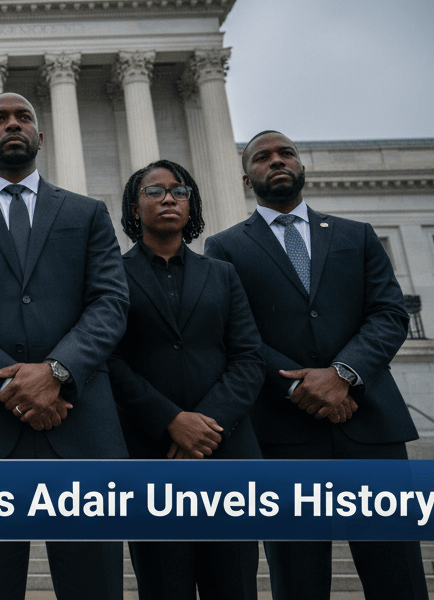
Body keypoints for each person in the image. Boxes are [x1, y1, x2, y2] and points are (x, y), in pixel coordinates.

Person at [0, 91, 129, 600]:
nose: (12, 124)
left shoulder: (87, 213)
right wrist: (16, 384)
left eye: (23, 117)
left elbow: (110, 303)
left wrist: (55, 371)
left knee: (94, 588)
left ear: (40, 134)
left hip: (79, 426)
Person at [204, 130, 427, 600]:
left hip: (370, 425)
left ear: (302, 167)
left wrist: (342, 375)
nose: (277, 161)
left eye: (286, 153)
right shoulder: (225, 248)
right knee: (298, 580)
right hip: (284, 434)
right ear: (247, 177)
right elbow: (236, 336)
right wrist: (299, 388)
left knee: (398, 576)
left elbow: (389, 313)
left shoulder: (356, 235)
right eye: (263, 157)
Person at [107, 160, 265, 600]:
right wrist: (170, 420)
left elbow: (249, 357)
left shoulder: (223, 274)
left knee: (235, 587)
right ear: (135, 209)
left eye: (179, 191)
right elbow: (110, 362)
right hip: (150, 456)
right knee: (163, 588)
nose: (169, 198)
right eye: (154, 191)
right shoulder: (110, 277)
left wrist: (206, 424)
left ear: (190, 204)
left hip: (227, 456)